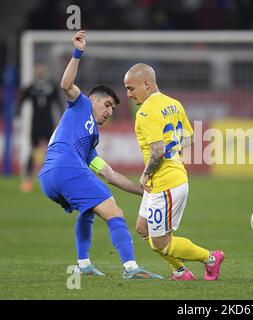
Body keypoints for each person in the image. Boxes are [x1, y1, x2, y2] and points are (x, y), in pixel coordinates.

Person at [38, 30, 162, 280]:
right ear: (93, 99)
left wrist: (144, 191)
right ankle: (130, 268)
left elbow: (109, 174)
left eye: (113, 109)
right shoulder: (80, 103)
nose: (110, 112)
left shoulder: (90, 140)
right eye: (107, 105)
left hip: (48, 177)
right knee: (115, 212)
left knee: (88, 210)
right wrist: (77, 53)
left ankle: (83, 264)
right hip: (66, 168)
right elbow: (65, 85)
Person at [123, 63, 224, 281]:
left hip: (165, 182)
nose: (128, 94)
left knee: (160, 241)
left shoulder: (146, 112)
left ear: (147, 84)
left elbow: (158, 150)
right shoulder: (173, 104)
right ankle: (180, 272)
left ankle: (211, 258)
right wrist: (172, 149)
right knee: (143, 228)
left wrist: (146, 174)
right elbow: (189, 138)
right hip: (167, 179)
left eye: (131, 88)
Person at [17, 63, 63, 193]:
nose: (39, 71)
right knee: (32, 149)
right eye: (37, 69)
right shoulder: (30, 87)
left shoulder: (51, 85)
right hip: (35, 123)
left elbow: (58, 103)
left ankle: (55, 179)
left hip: (48, 123)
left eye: (41, 69)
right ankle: (28, 179)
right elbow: (21, 102)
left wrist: (62, 117)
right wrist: (17, 116)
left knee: (53, 150)